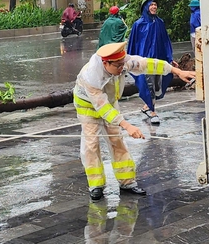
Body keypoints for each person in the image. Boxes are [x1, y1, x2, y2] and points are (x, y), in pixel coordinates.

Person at [74, 41, 195, 201]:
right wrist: (127, 125)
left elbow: (147, 64)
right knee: (91, 144)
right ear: (105, 63)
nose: (121, 69)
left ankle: (127, 182)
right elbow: (102, 108)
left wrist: (175, 70)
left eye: (122, 65)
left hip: (109, 101)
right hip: (88, 106)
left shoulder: (122, 63)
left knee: (117, 140)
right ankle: (96, 185)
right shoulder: (91, 76)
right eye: (117, 66)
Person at [126, 0, 174, 125]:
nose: (154, 7)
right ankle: (152, 112)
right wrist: (130, 61)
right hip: (145, 62)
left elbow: (165, 42)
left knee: (158, 85)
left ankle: (147, 106)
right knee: (148, 85)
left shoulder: (160, 23)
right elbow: (133, 44)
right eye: (151, 5)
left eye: (155, 5)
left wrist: (169, 58)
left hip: (159, 59)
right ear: (146, 7)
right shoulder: (138, 24)